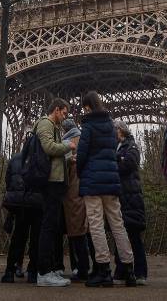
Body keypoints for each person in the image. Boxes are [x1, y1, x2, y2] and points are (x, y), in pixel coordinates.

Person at [77, 91, 136, 288]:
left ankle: (103, 269)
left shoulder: (88, 126)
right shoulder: (112, 126)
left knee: (96, 225)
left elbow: (82, 154)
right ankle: (129, 269)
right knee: (118, 224)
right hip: (111, 181)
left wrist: (80, 171)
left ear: (87, 106)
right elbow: (113, 152)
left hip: (93, 182)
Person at [34, 98, 76, 287]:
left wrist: (68, 160)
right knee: (48, 227)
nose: (65, 117)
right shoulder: (45, 123)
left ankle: (49, 270)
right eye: (65, 113)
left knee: (52, 226)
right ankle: (43, 273)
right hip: (50, 182)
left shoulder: (54, 126)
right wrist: (69, 146)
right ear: (57, 109)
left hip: (56, 181)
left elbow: (54, 155)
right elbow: (48, 148)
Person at [1, 142, 43, 283]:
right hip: (37, 203)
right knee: (36, 239)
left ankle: (9, 271)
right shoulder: (42, 158)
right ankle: (32, 272)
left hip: (20, 204)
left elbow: (8, 181)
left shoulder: (15, 158)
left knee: (18, 238)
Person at [114, 119, 147, 284]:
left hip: (131, 196)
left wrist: (116, 161)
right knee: (119, 235)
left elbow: (129, 164)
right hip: (121, 195)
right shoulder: (118, 147)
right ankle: (121, 272)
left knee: (133, 235)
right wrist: (117, 159)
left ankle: (140, 273)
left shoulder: (131, 146)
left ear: (120, 130)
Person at [61, 118, 91, 282]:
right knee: (88, 231)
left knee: (76, 232)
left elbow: (62, 169)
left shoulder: (67, 142)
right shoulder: (84, 139)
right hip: (87, 189)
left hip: (72, 191)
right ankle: (95, 267)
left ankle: (81, 268)